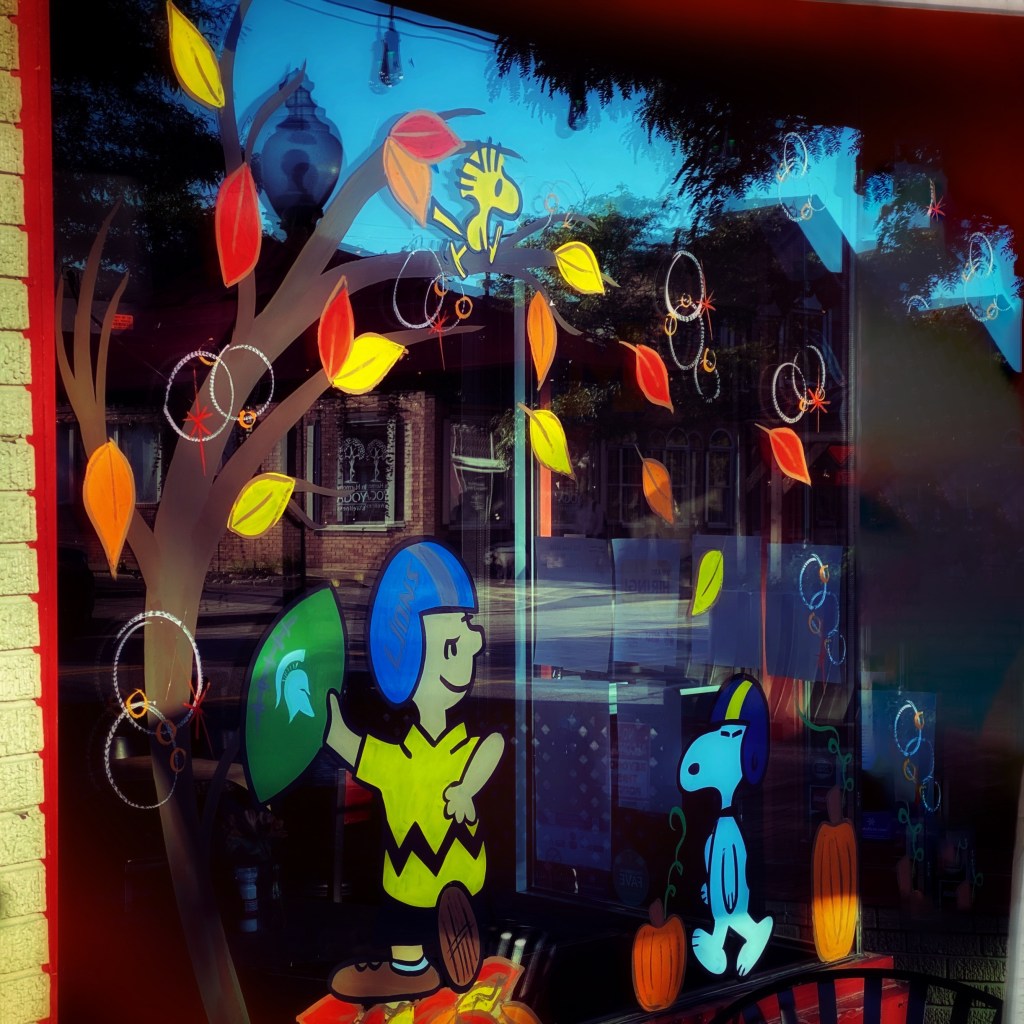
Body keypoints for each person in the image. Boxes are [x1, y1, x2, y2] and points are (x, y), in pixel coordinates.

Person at [325, 539, 505, 1002]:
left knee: (440, 920)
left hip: (462, 875)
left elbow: (493, 747)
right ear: (407, 666)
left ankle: (455, 958)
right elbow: (352, 747)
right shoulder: (397, 759)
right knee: (403, 920)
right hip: (410, 880)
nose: (473, 645)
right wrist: (328, 723)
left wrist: (466, 789)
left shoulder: (460, 745)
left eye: (466, 636)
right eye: (453, 645)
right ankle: (411, 969)